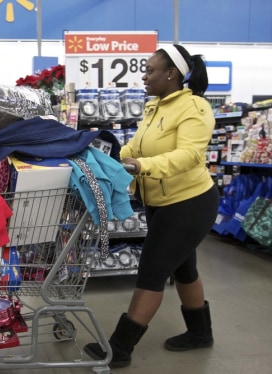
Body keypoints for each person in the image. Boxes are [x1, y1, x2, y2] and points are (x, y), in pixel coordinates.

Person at [83, 44, 220, 368]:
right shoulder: (156, 107)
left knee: (151, 274)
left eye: (150, 70)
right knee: (184, 269)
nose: (144, 76)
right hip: (162, 201)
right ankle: (201, 334)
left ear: (171, 74)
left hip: (189, 203)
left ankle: (119, 349)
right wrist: (107, 157)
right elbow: (136, 145)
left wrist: (141, 166)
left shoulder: (194, 107)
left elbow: (190, 155)